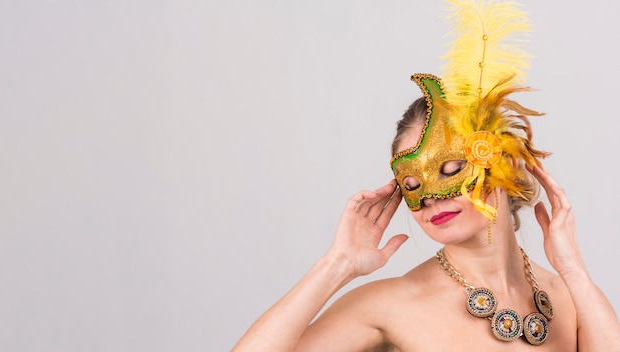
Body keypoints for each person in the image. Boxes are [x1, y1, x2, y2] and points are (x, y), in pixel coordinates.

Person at [232, 1, 620, 351]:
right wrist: (337, 264)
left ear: (504, 164)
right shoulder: (390, 306)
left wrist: (574, 272)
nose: (431, 199)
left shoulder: (570, 297)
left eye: (450, 170)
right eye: (413, 186)